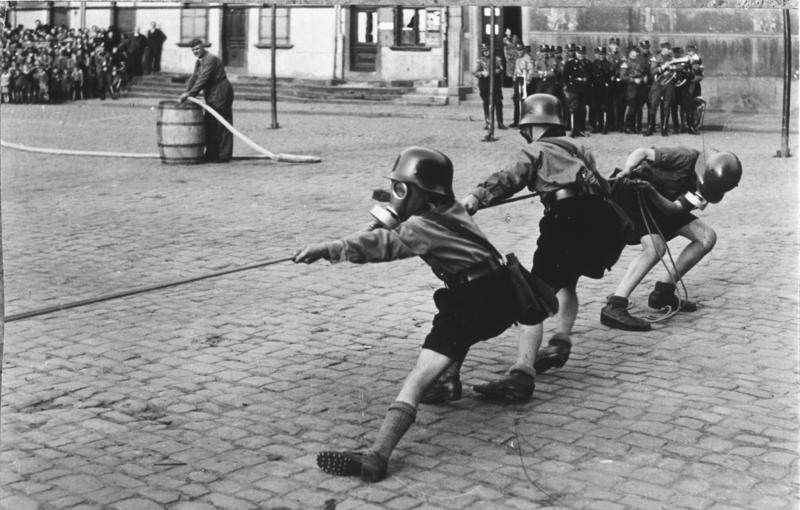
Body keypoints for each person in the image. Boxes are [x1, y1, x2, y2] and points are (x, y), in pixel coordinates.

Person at [295, 147, 554, 482]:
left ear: (422, 192)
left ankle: (378, 455)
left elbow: (382, 245)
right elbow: (394, 228)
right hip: (499, 292)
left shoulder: (419, 227)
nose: (397, 196)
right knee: (457, 329)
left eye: (402, 189)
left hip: (474, 299)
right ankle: (447, 381)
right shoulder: (451, 208)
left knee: (418, 376)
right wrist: (386, 215)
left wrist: (327, 249)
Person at [423, 94, 629, 403]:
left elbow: (509, 178)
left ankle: (521, 375)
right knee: (566, 281)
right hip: (600, 219)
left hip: (567, 219)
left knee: (530, 297)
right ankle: (560, 341)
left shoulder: (534, 150)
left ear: (532, 126)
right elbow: (602, 184)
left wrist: (477, 197)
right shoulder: (578, 148)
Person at [599, 147, 743, 331]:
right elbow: (642, 152)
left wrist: (652, 192)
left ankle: (663, 293)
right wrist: (628, 169)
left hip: (661, 202)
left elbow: (674, 209)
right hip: (633, 194)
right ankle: (615, 305)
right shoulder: (685, 157)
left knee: (706, 237)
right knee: (655, 248)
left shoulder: (710, 188)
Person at [179, 38, 234, 163]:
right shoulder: (199, 61)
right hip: (212, 92)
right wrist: (186, 91)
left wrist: (190, 94)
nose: (196, 51)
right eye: (193, 50)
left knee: (221, 122)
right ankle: (212, 154)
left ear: (203, 47)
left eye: (197, 48)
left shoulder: (210, 59)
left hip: (220, 91)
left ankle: (223, 155)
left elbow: (203, 79)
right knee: (211, 122)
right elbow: (194, 77)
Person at [473, 43, 506, 130]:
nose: (486, 52)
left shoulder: (497, 59)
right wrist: (481, 73)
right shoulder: (480, 61)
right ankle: (488, 123)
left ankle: (500, 122)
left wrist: (490, 72)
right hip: (484, 84)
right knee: (486, 103)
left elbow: (501, 69)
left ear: (490, 50)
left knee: (498, 103)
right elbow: (475, 72)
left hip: (495, 83)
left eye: (487, 50)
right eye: (484, 51)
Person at [562, 45, 592, 137]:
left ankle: (581, 129)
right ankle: (573, 129)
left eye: (582, 53)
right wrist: (567, 87)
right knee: (574, 108)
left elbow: (591, 75)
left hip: (584, 89)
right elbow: (565, 77)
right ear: (576, 53)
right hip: (573, 89)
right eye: (579, 53)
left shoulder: (588, 63)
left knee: (583, 109)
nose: (581, 55)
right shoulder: (570, 63)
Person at [510, 45, 533, 128]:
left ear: (523, 50)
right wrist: (514, 79)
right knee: (516, 100)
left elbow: (530, 71)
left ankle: (524, 122)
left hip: (524, 80)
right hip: (518, 80)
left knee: (524, 101)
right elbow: (516, 71)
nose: (519, 52)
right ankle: (516, 121)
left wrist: (527, 81)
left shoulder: (528, 59)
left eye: (520, 50)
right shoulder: (518, 59)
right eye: (518, 50)